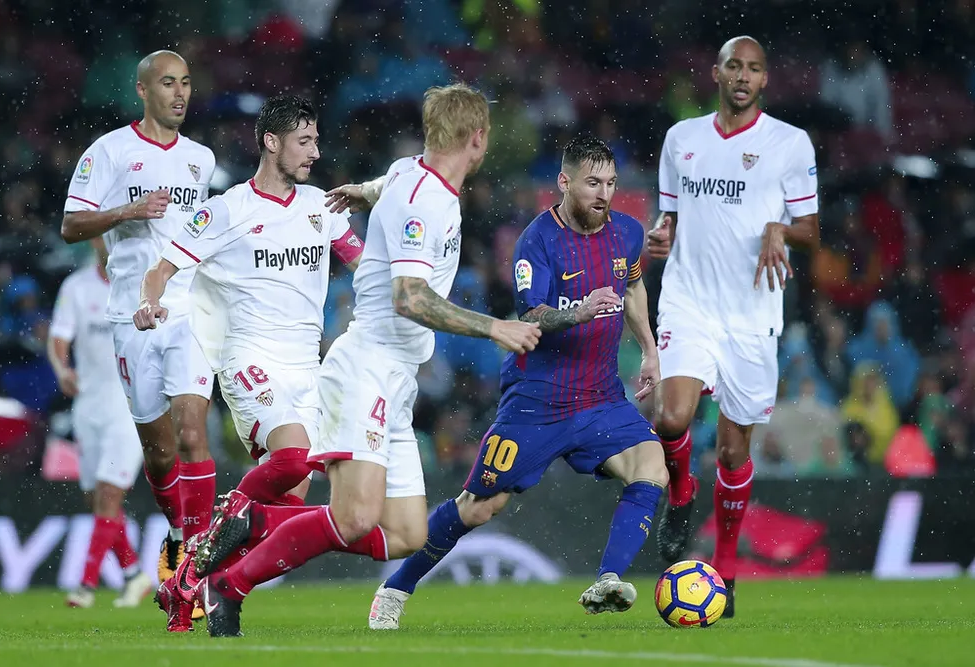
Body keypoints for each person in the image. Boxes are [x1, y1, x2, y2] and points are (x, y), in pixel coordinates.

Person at [194, 83, 541, 638]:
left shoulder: (409, 173)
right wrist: (492, 326)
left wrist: (362, 191)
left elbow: (389, 182)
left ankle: (255, 519)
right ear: (478, 140)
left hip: (395, 378)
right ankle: (228, 585)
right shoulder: (428, 200)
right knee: (354, 517)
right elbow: (410, 297)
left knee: (404, 534)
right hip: (367, 368)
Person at [368, 134, 667, 629]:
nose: (604, 194)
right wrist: (581, 311)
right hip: (538, 399)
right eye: (593, 183)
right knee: (480, 507)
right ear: (564, 182)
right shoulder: (538, 240)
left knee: (651, 465)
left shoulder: (628, 233)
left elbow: (633, 286)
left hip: (599, 394)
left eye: (611, 183)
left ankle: (608, 579)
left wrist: (651, 351)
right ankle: (396, 587)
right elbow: (533, 312)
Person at [134, 94, 366, 632]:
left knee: (282, 516)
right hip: (249, 359)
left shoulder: (321, 206)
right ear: (271, 141)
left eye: (316, 140)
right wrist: (150, 304)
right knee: (292, 460)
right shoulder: (225, 210)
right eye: (304, 141)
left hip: (310, 368)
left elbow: (366, 268)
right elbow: (160, 271)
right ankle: (198, 563)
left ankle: (196, 582)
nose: (315, 151)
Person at [647, 35, 820, 618]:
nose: (743, 76)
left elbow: (811, 229)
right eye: (734, 66)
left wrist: (781, 228)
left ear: (765, 80)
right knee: (671, 416)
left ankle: (723, 563)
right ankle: (681, 493)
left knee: (730, 451)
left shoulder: (789, 144)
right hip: (689, 300)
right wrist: (660, 234)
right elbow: (668, 216)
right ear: (716, 72)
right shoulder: (681, 139)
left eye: (754, 69)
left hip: (751, 314)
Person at [60, 50, 218, 591]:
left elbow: (200, 234)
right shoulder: (109, 152)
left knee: (194, 430)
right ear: (143, 90)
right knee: (159, 453)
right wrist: (126, 211)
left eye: (187, 83)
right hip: (131, 318)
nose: (180, 93)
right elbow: (71, 224)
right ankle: (178, 528)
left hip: (188, 310)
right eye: (168, 83)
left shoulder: (203, 159)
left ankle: (195, 559)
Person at [47, 238, 150, 609]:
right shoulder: (76, 287)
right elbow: (59, 338)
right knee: (97, 500)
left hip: (128, 408)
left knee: (108, 494)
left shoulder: (146, 284)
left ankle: (86, 587)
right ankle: (134, 574)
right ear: (94, 239)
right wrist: (62, 370)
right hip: (87, 409)